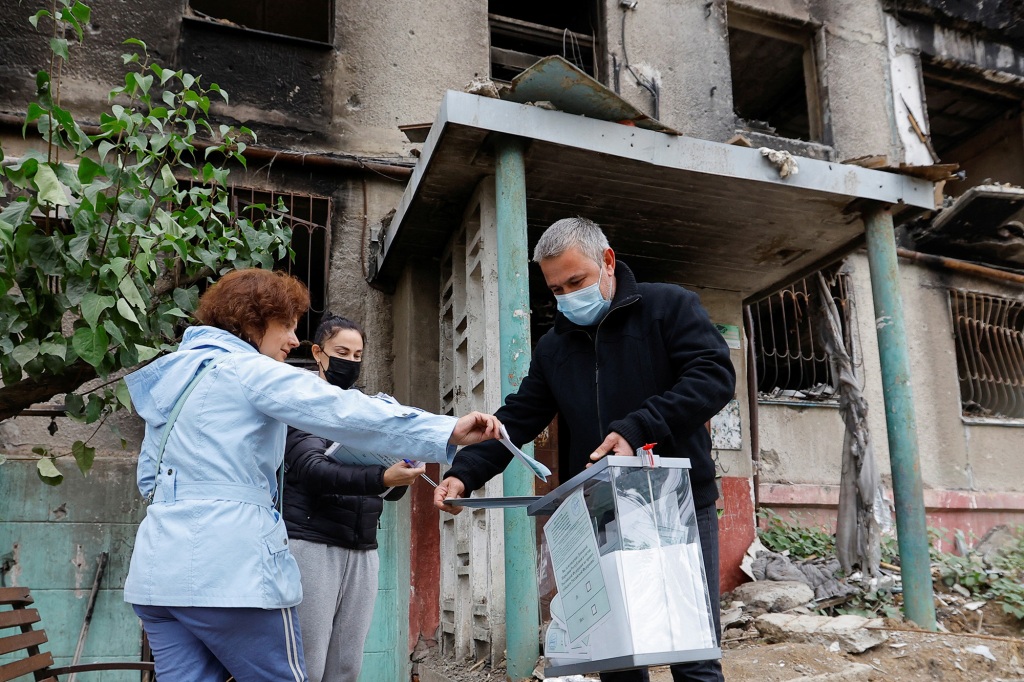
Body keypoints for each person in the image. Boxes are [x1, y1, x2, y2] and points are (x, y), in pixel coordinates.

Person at [124, 269, 502, 682]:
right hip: (229, 572)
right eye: (286, 326)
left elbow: (149, 480)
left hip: (157, 574)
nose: (292, 340)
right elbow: (342, 411)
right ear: (252, 322)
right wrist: (443, 430)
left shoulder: (175, 378)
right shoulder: (248, 370)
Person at [433, 217, 736, 682]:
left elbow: (712, 377)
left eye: (576, 281)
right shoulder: (555, 346)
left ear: (608, 261)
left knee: (689, 649)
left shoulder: (668, 307)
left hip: (677, 506)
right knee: (614, 654)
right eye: (556, 289)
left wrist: (639, 427)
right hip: (602, 513)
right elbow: (520, 415)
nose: (567, 296)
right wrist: (466, 470)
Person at [283, 314, 420, 682]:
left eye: (358, 356)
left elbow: (389, 493)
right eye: (342, 352)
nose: (350, 362)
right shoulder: (302, 402)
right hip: (312, 543)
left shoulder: (367, 407)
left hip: (362, 545)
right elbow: (311, 469)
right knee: (307, 663)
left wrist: (401, 471)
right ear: (318, 353)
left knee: (347, 666)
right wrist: (380, 475)